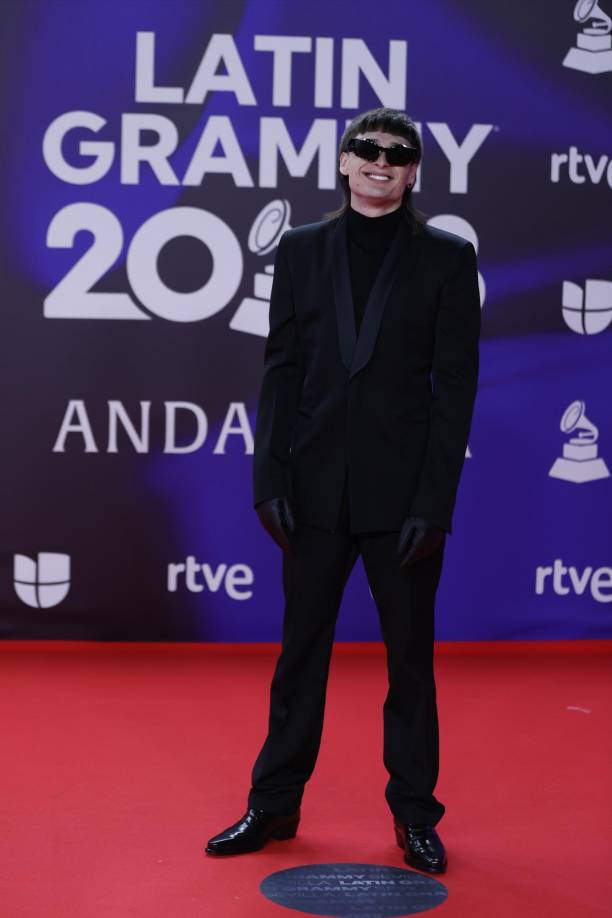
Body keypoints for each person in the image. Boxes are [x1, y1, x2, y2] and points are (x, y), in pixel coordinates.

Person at [205, 107, 481, 874]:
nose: (380, 162)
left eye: (397, 153)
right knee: (299, 659)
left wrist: (435, 502)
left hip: (404, 505)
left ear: (415, 170)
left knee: (410, 665)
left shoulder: (448, 259)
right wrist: (268, 480)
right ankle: (273, 804)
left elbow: (455, 391)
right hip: (313, 493)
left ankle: (416, 816)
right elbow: (280, 373)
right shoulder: (299, 251)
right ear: (343, 161)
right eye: (367, 149)